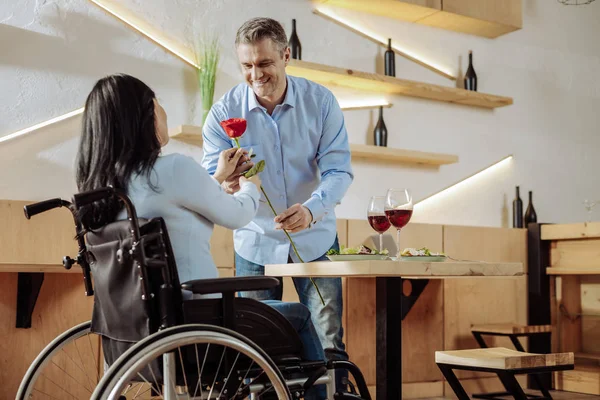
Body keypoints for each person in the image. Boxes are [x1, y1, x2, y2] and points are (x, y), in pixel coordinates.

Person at [74, 73, 327, 399]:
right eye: (158, 102)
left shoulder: (105, 192)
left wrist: (218, 178)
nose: (162, 111)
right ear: (143, 116)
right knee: (301, 316)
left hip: (134, 330)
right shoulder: (173, 169)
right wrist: (252, 184)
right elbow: (238, 215)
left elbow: (178, 206)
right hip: (200, 319)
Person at [201, 17, 354, 391]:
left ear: (286, 55)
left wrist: (312, 209)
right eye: (247, 66)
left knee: (327, 340)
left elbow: (339, 171)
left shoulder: (320, 103)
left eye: (265, 63)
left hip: (315, 239)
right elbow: (209, 180)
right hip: (255, 242)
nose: (256, 74)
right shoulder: (223, 114)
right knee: (256, 346)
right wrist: (227, 183)